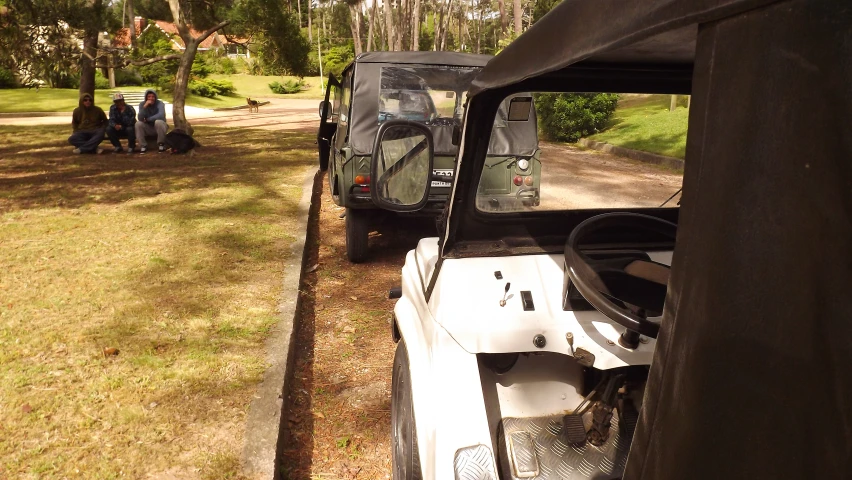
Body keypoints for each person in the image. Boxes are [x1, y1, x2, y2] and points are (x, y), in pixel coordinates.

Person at [134, 89, 169, 154]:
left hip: (160, 127)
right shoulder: (142, 104)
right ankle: (143, 146)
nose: (151, 98)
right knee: (138, 124)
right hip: (148, 127)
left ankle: (161, 144)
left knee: (158, 122)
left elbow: (161, 115)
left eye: (153, 97)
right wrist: (144, 107)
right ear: (146, 97)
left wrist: (148, 119)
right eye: (149, 97)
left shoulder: (160, 103)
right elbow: (140, 118)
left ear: (155, 97)